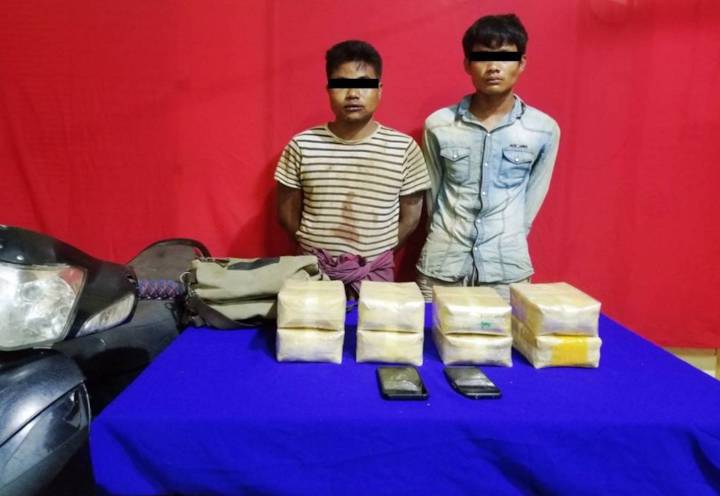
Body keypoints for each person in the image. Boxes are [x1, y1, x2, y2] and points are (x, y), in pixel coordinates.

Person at [416, 14, 561, 302]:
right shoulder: (439, 125)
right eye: (482, 57)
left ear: (521, 63)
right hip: (442, 268)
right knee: (432, 333)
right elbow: (431, 198)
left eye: (505, 57)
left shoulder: (543, 129)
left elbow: (530, 204)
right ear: (467, 64)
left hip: (506, 273)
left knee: (502, 334)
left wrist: (506, 239)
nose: (493, 67)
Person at [275, 40, 430, 296]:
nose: (353, 94)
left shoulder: (404, 148)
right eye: (341, 84)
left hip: (374, 276)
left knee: (372, 324)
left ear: (379, 90)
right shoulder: (302, 145)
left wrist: (376, 256)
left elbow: (411, 219)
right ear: (328, 90)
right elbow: (286, 213)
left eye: (364, 84)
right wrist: (315, 251)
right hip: (313, 273)